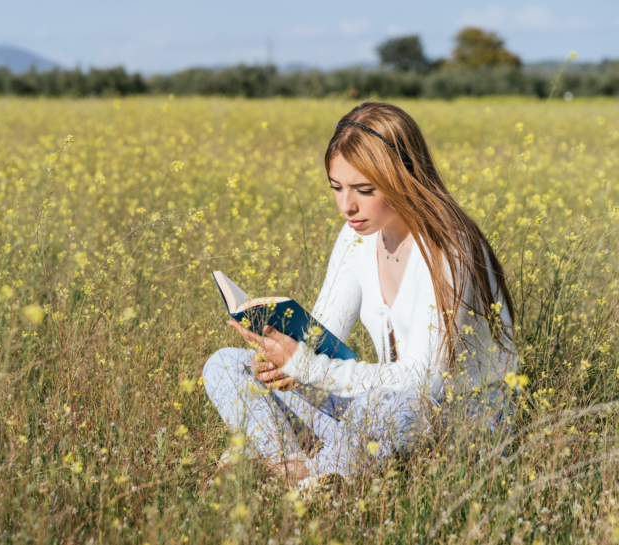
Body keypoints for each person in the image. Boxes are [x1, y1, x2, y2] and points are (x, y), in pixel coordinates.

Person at [202, 101, 519, 485]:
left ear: (405, 176)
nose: (346, 205)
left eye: (364, 190)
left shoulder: (448, 250)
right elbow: (320, 338)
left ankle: (302, 467)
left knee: (394, 410)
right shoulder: (357, 234)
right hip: (383, 408)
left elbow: (425, 383)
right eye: (337, 187)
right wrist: (280, 360)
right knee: (224, 365)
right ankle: (292, 466)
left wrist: (306, 368)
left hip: (460, 420)